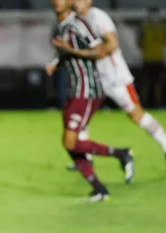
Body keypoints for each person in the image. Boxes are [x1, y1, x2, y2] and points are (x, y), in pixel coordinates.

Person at [46, 0, 134, 202]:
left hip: (87, 91)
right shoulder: (59, 27)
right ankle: (99, 188)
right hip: (74, 91)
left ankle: (120, 155)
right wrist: (57, 63)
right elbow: (70, 54)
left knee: (70, 141)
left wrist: (70, 51)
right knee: (70, 144)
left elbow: (100, 51)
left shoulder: (78, 25)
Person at [68, 0, 166, 165]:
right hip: (94, 79)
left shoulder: (98, 17)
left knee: (136, 115)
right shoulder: (73, 21)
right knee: (82, 117)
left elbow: (112, 44)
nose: (75, 2)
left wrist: (86, 54)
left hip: (115, 77)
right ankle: (84, 158)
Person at [139, 6, 165, 109]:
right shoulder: (144, 27)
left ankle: (158, 104)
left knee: (158, 84)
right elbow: (139, 43)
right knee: (146, 84)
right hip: (147, 59)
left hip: (158, 59)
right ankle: (144, 104)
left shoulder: (162, 27)